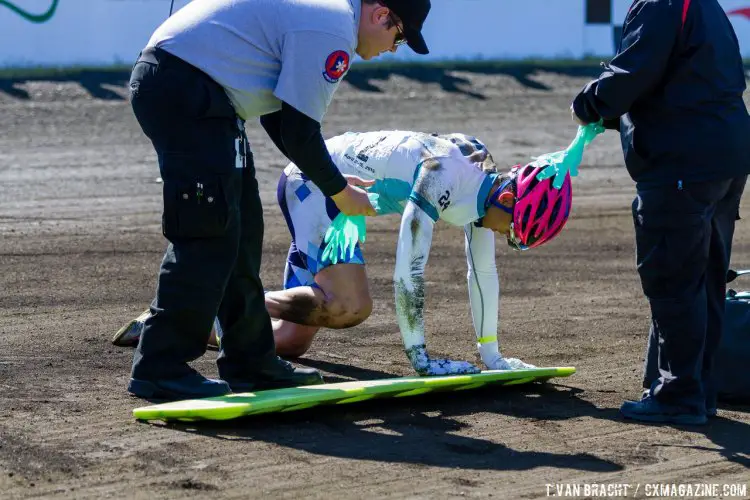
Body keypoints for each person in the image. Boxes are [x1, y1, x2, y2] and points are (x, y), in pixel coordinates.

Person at [126, 0, 432, 400]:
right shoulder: (335, 29)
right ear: (380, 14)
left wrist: (332, 180)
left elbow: (284, 120)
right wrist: (341, 193)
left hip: (197, 91)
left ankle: (251, 360)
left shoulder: (325, 14)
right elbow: (300, 131)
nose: (393, 48)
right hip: (187, 90)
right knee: (208, 232)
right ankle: (159, 367)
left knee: (243, 229)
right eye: (399, 37)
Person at [114, 131, 574, 375]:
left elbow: (482, 269)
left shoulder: (486, 183)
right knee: (350, 307)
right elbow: (409, 269)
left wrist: (491, 355)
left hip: (344, 208)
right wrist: (422, 360)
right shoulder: (443, 175)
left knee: (289, 342)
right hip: (317, 187)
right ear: (511, 201)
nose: (509, 238)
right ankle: (200, 304)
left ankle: (193, 319)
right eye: (513, 230)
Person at [570, 0, 750, 424]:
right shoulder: (703, 6)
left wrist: (590, 103)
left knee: (673, 279)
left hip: (683, 163)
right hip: (724, 156)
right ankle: (698, 390)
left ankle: (678, 395)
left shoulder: (660, 3)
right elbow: (683, 80)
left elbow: (634, 72)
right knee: (705, 278)